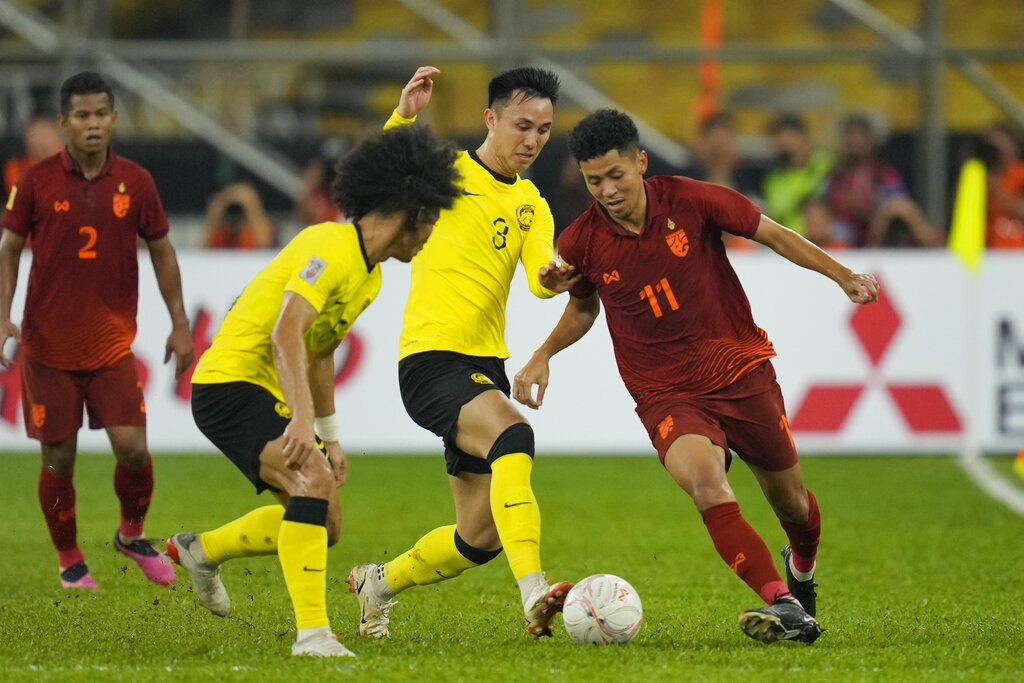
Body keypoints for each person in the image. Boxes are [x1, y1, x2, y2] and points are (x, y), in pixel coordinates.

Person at [512, 109, 880, 645]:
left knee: (792, 504)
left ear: (640, 162)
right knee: (708, 486)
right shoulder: (581, 241)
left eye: (616, 176)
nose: (608, 191)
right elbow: (584, 310)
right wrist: (543, 353)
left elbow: (774, 235)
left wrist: (843, 275)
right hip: (663, 392)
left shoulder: (693, 199)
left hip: (738, 371)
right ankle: (783, 604)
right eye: (595, 182)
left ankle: (801, 568)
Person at [167, 124, 462, 658]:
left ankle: (201, 550)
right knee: (310, 480)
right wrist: (302, 424)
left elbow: (320, 350)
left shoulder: (369, 277)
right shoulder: (328, 244)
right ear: (409, 211)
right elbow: (286, 332)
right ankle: (313, 636)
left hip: (269, 390)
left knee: (324, 522)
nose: (429, 235)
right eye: (431, 221)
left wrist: (329, 434)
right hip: (229, 382)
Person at [346, 65, 581, 640]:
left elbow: (537, 278)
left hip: (484, 369)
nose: (532, 141)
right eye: (522, 126)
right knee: (514, 437)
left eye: (545, 131)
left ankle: (376, 583)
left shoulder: (533, 203)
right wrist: (404, 114)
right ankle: (533, 594)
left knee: (478, 538)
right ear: (491, 118)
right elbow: (377, 174)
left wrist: (556, 277)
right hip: (430, 360)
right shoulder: (448, 172)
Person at [0, 72, 195, 590]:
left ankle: (132, 534)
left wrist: (179, 323)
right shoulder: (35, 181)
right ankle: (69, 559)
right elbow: (9, 250)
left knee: (133, 447)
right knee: (58, 458)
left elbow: (162, 250)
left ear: (113, 119)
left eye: (100, 114)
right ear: (64, 123)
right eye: (81, 116)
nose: (92, 124)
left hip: (111, 345)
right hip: (48, 346)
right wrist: (3, 315)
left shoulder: (137, 182)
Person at [822, 113, 944, 248]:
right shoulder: (835, 174)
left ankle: (934, 245)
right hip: (842, 231)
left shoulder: (883, 173)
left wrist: (868, 209)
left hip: (875, 230)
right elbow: (823, 204)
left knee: (900, 207)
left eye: (860, 135)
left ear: (871, 140)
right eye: (850, 134)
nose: (854, 140)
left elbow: (899, 203)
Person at [761, 112, 834, 246]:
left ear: (803, 137)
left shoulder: (825, 166)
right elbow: (775, 213)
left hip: (823, 242)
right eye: (777, 136)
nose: (781, 142)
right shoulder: (774, 178)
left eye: (787, 135)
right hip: (786, 246)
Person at [981, 123, 1024, 249]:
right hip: (987, 251)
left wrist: (996, 188)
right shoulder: (980, 175)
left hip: (1017, 251)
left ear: (1012, 145)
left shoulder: (1021, 172)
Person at [202, 181, 275, 249]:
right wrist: (218, 209)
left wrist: (249, 203)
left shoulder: (255, 230)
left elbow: (264, 246)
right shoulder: (221, 232)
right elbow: (203, 251)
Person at [3, 114, 63, 195]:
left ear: (56, 138)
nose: (42, 143)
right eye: (36, 136)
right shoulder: (16, 166)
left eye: (46, 135)